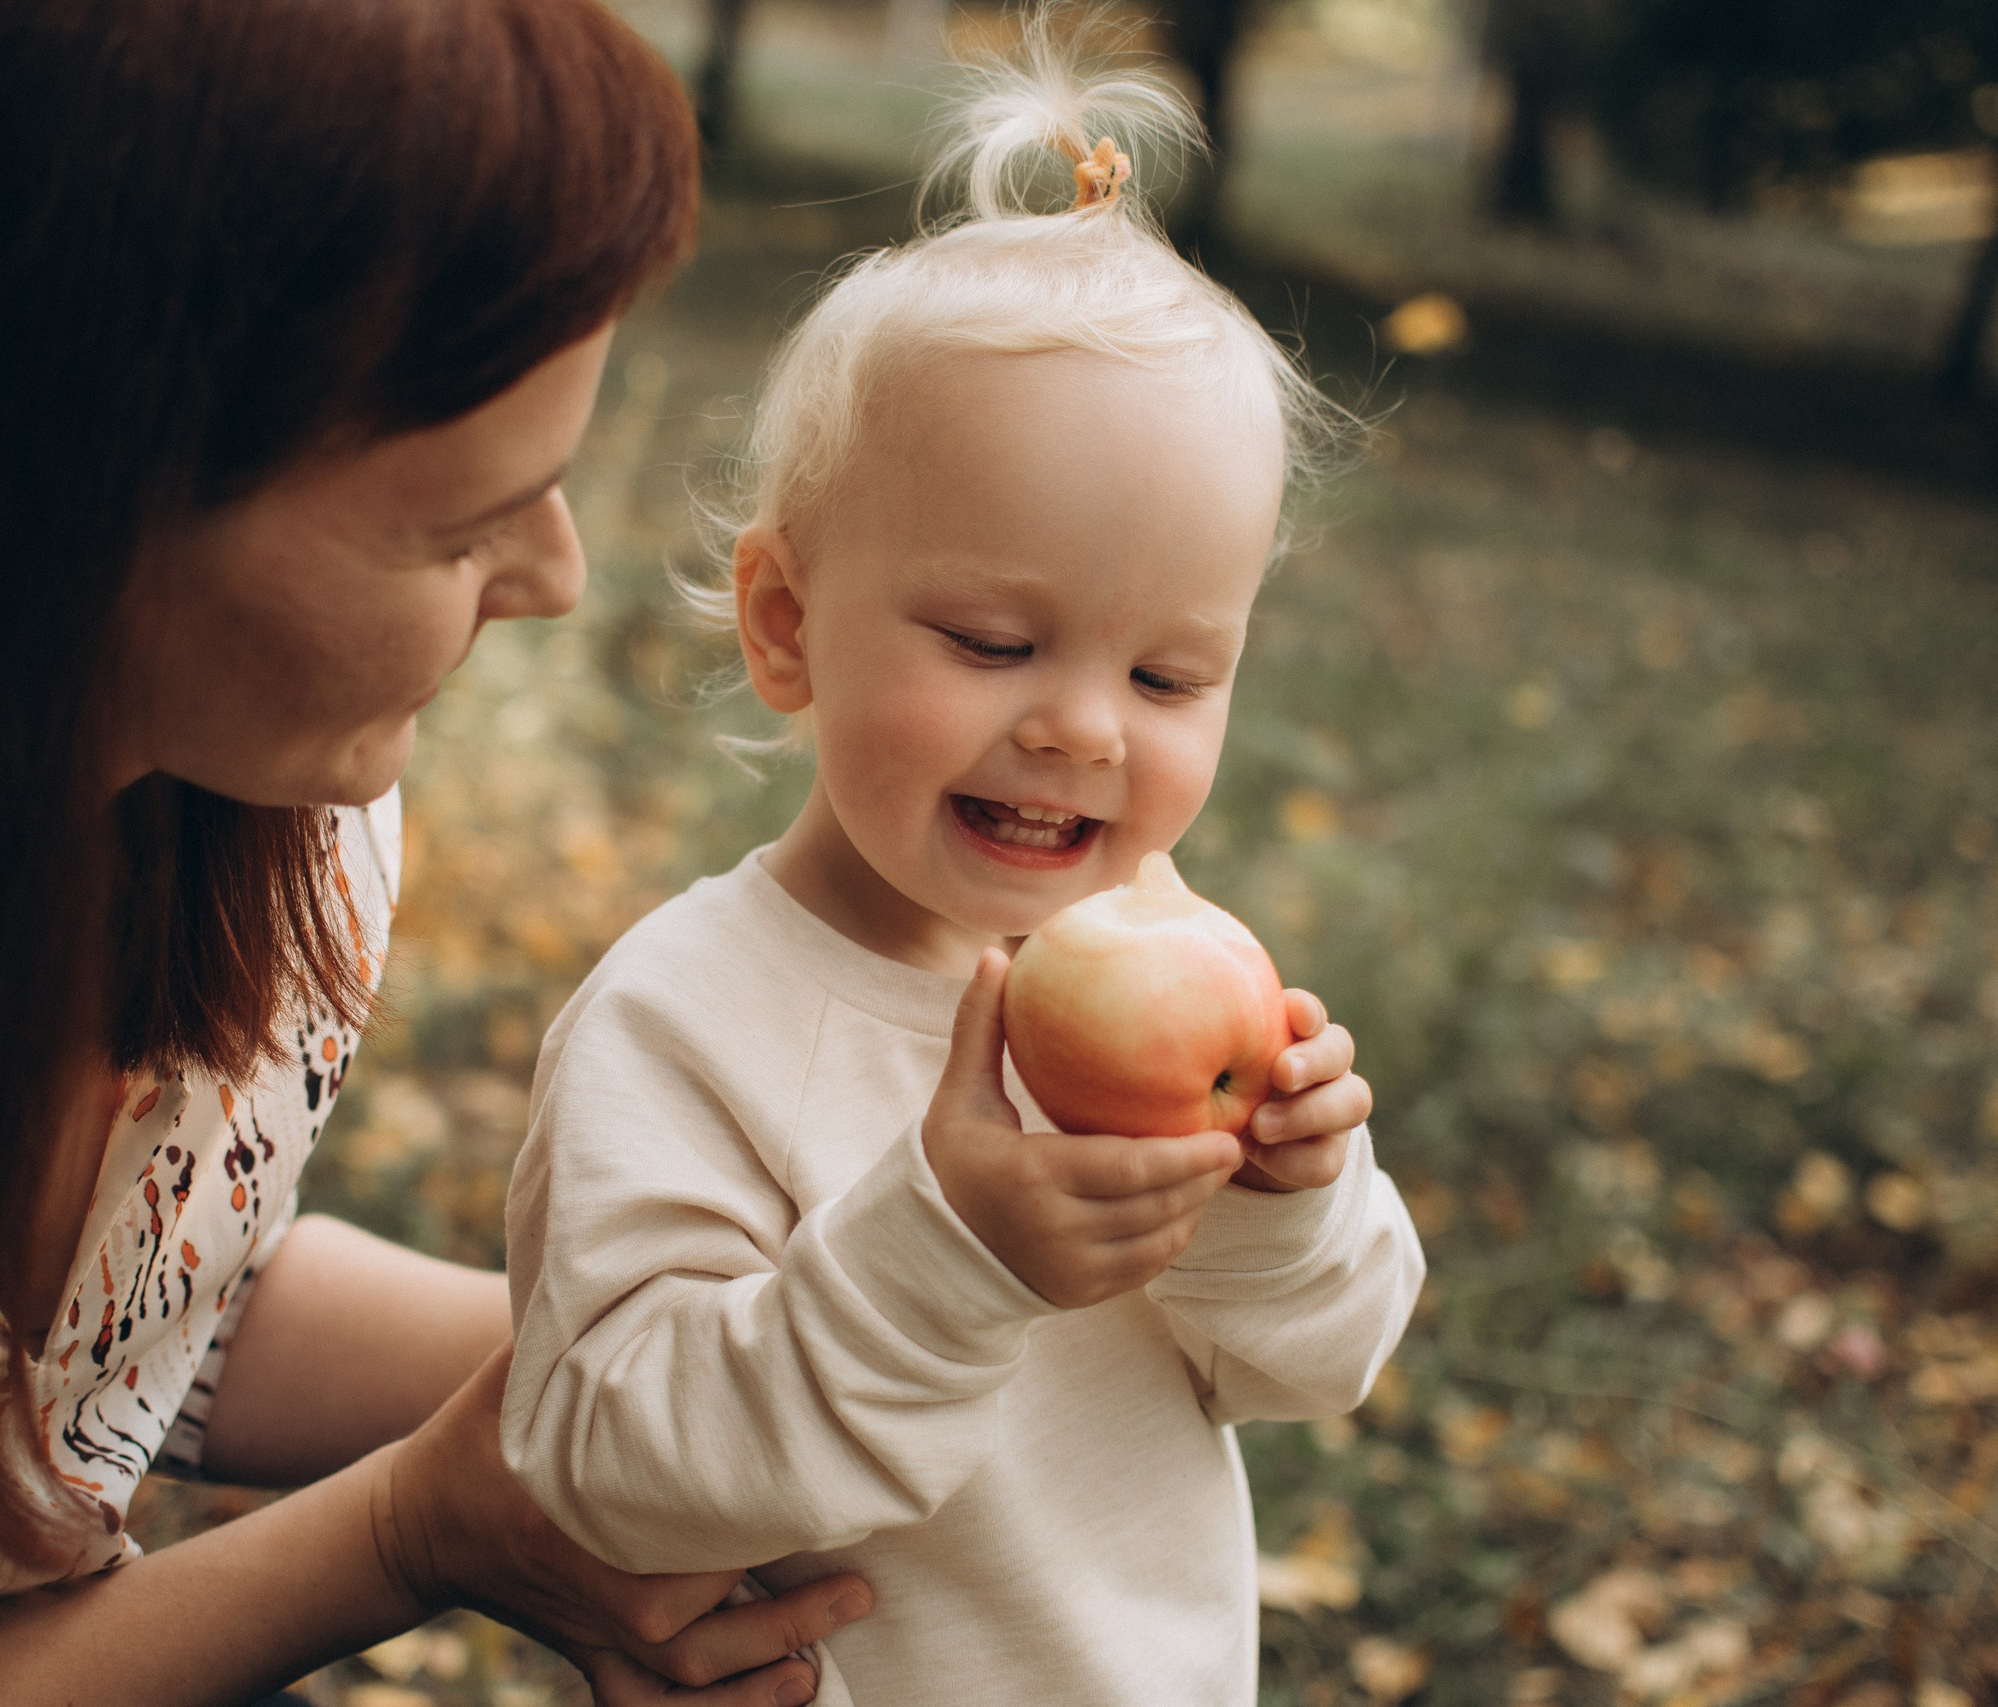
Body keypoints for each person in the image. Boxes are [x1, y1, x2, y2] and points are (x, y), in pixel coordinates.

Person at [0, 0, 875, 1702]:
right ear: (66, 494)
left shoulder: (286, 817)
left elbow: (151, 1310)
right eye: (459, 527)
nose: (553, 581)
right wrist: (407, 1534)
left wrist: (701, 1370)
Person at [498, 31, 1427, 1706]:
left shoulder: (1178, 957)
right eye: (997, 642)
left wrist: (1289, 1214)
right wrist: (950, 1261)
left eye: (1166, 678)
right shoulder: (684, 1021)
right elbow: (607, 1463)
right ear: (787, 624)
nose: (1082, 731)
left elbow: (1321, 1364)